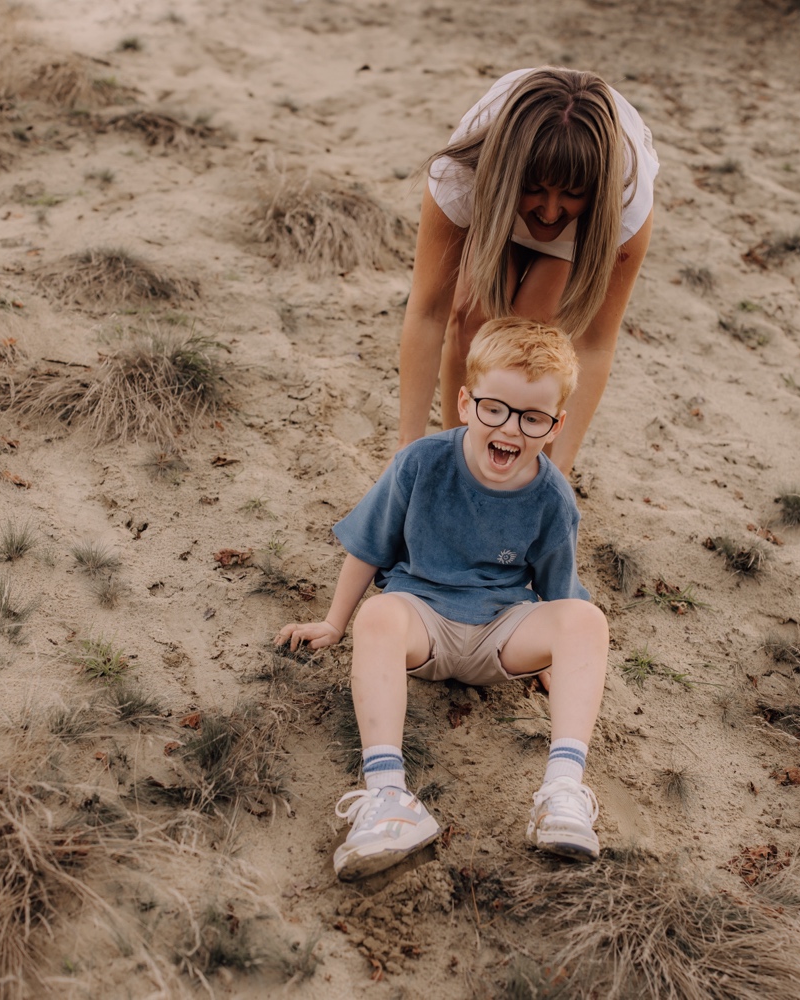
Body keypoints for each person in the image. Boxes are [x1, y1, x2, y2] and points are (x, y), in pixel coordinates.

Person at [275, 317, 610, 881]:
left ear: (555, 425)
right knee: (378, 614)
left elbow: (558, 589)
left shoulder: (553, 496)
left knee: (587, 620)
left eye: (532, 417)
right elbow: (368, 547)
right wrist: (335, 622)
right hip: (422, 624)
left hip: (502, 633)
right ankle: (388, 798)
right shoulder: (422, 463)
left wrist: (558, 660)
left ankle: (562, 792)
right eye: (494, 408)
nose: (510, 427)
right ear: (464, 401)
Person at [396, 66, 659, 476]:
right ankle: (458, 461)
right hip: (498, 209)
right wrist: (405, 452)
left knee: (534, 333)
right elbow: (427, 312)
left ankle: (529, 473)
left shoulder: (626, 202)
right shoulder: (460, 175)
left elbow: (594, 345)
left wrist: (559, 483)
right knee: (470, 323)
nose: (551, 211)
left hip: (582, 232)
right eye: (536, 188)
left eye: (570, 194)